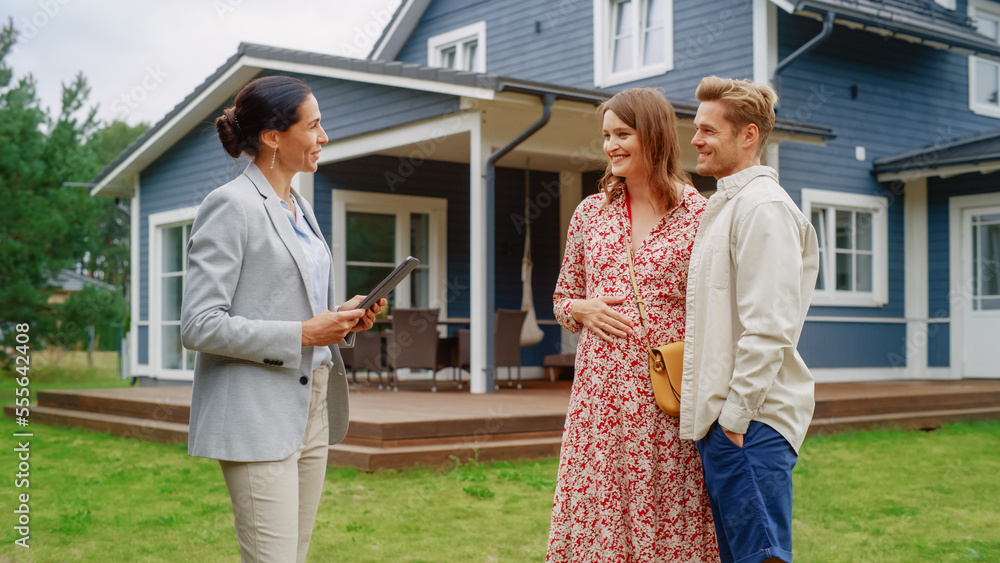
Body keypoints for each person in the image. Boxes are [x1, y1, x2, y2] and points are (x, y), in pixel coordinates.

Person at [180, 75, 386, 563]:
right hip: (255, 414)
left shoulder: (301, 208)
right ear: (273, 136)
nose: (324, 136)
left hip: (312, 405)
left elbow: (292, 304)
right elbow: (199, 324)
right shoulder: (231, 205)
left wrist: (340, 319)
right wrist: (303, 333)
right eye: (313, 125)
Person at [548, 87, 719, 562]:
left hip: (667, 398)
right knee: (598, 516)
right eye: (606, 136)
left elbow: (718, 310)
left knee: (669, 512)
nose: (611, 146)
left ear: (656, 136)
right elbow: (563, 298)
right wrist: (581, 310)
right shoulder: (590, 213)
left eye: (623, 134)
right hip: (598, 400)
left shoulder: (701, 217)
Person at [681, 76, 820, 563]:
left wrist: (734, 419)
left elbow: (770, 325)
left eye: (708, 130)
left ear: (748, 135)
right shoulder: (729, 206)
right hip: (731, 425)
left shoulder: (762, 209)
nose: (695, 139)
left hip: (750, 424)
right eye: (695, 128)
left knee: (761, 558)